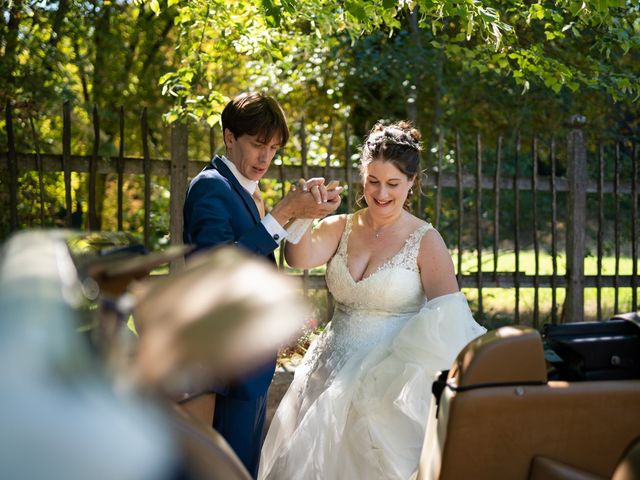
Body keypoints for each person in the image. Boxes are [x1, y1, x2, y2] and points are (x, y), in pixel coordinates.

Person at [258, 121, 486, 479]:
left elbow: (449, 318)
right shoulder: (342, 226)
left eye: (393, 184)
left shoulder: (426, 241)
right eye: (373, 181)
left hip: (385, 382)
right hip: (327, 367)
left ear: (412, 182)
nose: (381, 193)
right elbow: (298, 258)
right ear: (362, 176)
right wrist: (303, 215)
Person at [182, 91, 341, 478]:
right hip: (226, 364)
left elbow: (261, 250)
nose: (265, 157)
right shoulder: (210, 186)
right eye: (257, 144)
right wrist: (284, 211)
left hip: (253, 359)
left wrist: (307, 213)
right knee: (225, 470)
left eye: (272, 147)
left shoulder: (247, 190)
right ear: (229, 136)